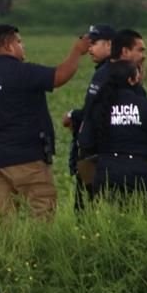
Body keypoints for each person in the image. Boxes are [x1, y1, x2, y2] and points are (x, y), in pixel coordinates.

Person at [0, 25, 91, 221]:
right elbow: (60, 76)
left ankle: (8, 251)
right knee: (42, 210)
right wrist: (77, 51)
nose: (22, 46)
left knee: (4, 219)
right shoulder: (22, 72)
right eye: (19, 42)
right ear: (8, 45)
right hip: (27, 158)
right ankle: (40, 250)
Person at [78, 60, 147, 206]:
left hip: (107, 172)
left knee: (108, 224)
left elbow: (85, 141)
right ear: (132, 80)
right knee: (142, 222)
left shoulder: (99, 106)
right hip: (140, 175)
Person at [62, 24, 116, 211]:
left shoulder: (108, 73)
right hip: (94, 151)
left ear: (109, 45)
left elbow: (96, 112)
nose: (90, 48)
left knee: (87, 206)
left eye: (94, 43)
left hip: (96, 153)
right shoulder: (103, 71)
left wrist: (73, 116)